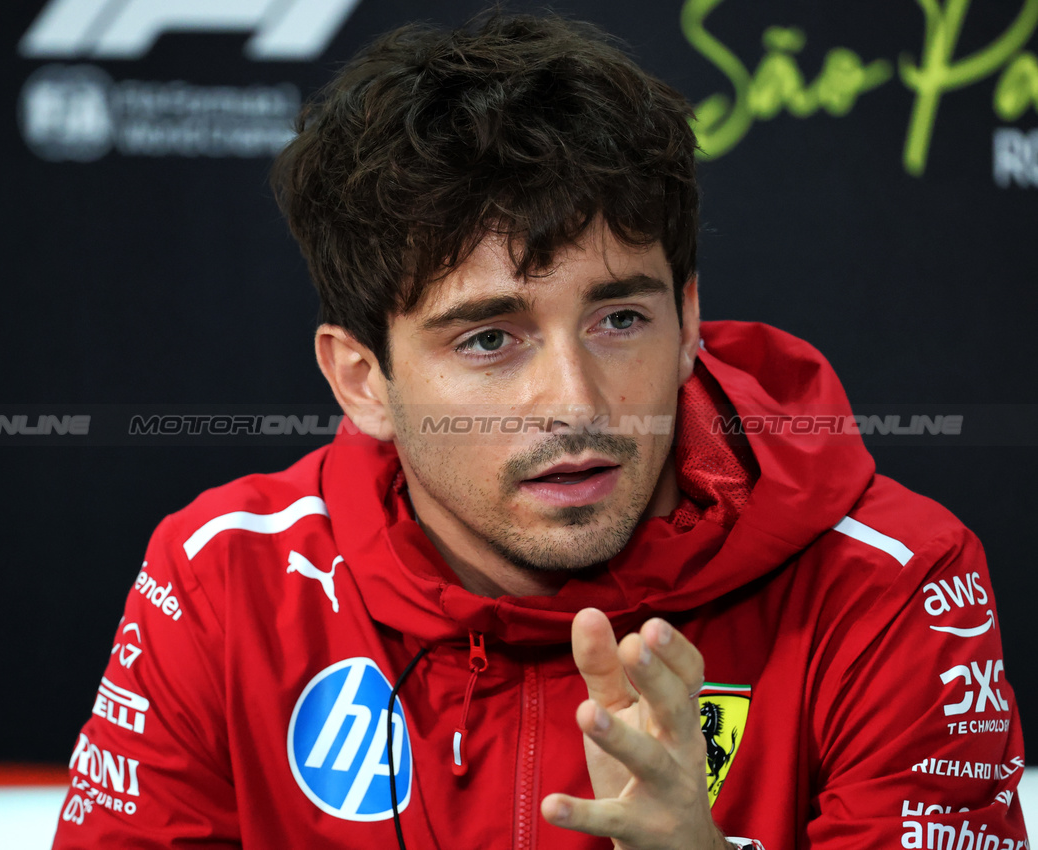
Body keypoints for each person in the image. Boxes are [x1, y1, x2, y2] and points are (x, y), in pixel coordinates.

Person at [51, 13, 1026, 850]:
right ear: (363, 380)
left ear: (689, 323)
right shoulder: (225, 582)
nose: (578, 401)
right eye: (488, 338)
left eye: (620, 319)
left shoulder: (896, 583)